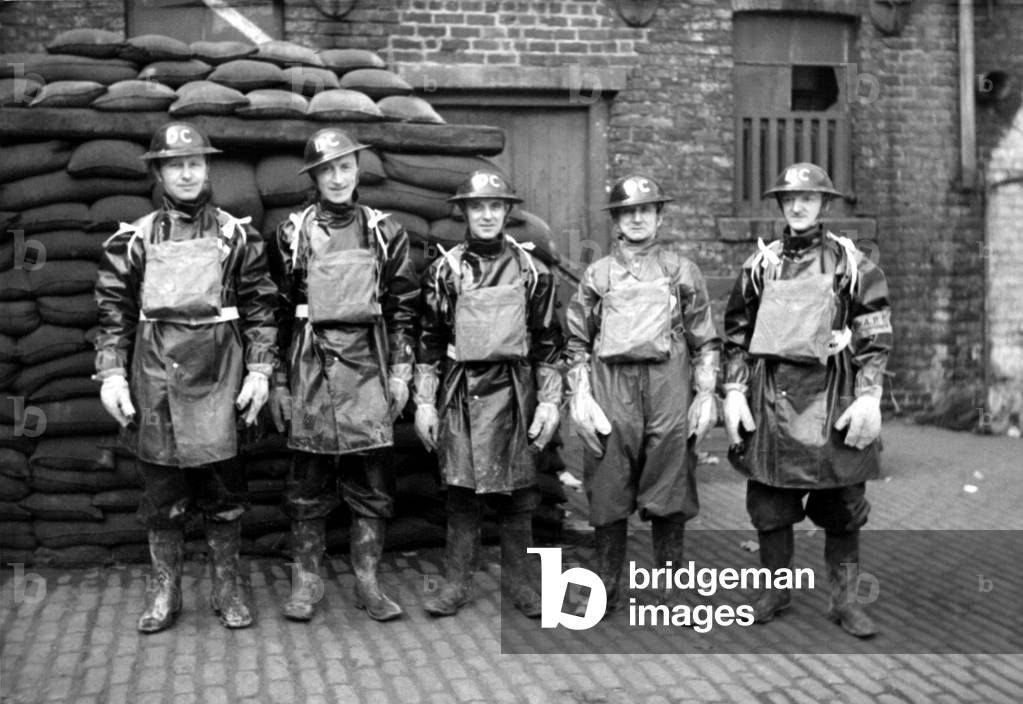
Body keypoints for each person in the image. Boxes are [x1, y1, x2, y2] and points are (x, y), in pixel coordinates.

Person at [94, 121, 277, 633]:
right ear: (159, 172)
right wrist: (111, 375)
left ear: (208, 168)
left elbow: (262, 307)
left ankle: (226, 587)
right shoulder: (133, 240)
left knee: (223, 492)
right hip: (156, 379)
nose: (187, 173)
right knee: (162, 495)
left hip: (221, 373)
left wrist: (260, 370)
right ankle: (165, 591)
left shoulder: (237, 236)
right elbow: (113, 313)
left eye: (195, 163)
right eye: (175, 165)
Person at [722, 162, 892, 638]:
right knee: (770, 505)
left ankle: (845, 602)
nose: (798, 206)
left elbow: (875, 333)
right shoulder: (761, 266)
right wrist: (734, 392)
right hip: (772, 399)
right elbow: (735, 335)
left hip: (832, 396)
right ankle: (775, 591)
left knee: (843, 505)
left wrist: (868, 394)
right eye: (790, 199)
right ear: (780, 204)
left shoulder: (852, 264)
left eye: (809, 199)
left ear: (823, 205)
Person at [268, 128, 419, 623]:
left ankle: (368, 582)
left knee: (371, 481)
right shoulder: (291, 233)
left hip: (367, 367)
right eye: (327, 169)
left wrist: (399, 372)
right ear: (313, 175)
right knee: (307, 483)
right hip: (310, 364)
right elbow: (277, 312)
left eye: (345, 167)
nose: (337, 178)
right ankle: (308, 581)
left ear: (358, 171)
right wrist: (277, 380)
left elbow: (402, 308)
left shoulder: (384, 232)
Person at [564, 174, 719, 614]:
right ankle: (606, 586)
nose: (636, 218)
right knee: (609, 490)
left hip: (669, 392)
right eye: (627, 211)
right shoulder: (597, 274)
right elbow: (576, 342)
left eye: (645, 210)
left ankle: (670, 592)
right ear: (615, 219)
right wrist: (581, 396)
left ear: (658, 216)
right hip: (612, 394)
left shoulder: (681, 271)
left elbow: (705, 339)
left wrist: (705, 395)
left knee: (670, 489)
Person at [414, 170, 563, 618]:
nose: (486, 214)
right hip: (461, 391)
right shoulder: (444, 270)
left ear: (506, 212)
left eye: (494, 206)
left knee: (518, 494)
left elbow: (549, 342)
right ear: (463, 211)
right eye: (476, 206)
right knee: (462, 491)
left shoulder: (532, 271)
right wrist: (424, 401)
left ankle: (520, 583)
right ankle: (457, 582)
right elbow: (429, 339)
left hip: (516, 391)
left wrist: (551, 401)